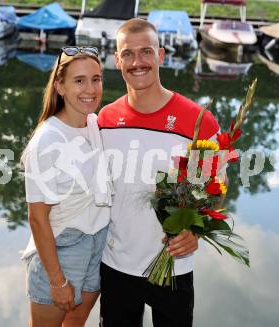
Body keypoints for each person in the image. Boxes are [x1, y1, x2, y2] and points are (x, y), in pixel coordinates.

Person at [97, 18, 220, 327]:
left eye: (146, 52)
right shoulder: (105, 119)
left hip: (173, 266)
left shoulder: (198, 121)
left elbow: (217, 184)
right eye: (127, 54)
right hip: (116, 264)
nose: (137, 62)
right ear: (116, 60)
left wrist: (197, 231)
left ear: (161, 56)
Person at [21, 46, 112, 327]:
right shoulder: (47, 140)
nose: (90, 89)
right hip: (63, 247)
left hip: (98, 242)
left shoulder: (95, 124)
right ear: (59, 86)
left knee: (75, 323)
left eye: (96, 79)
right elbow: (37, 218)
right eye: (79, 80)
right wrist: (57, 280)